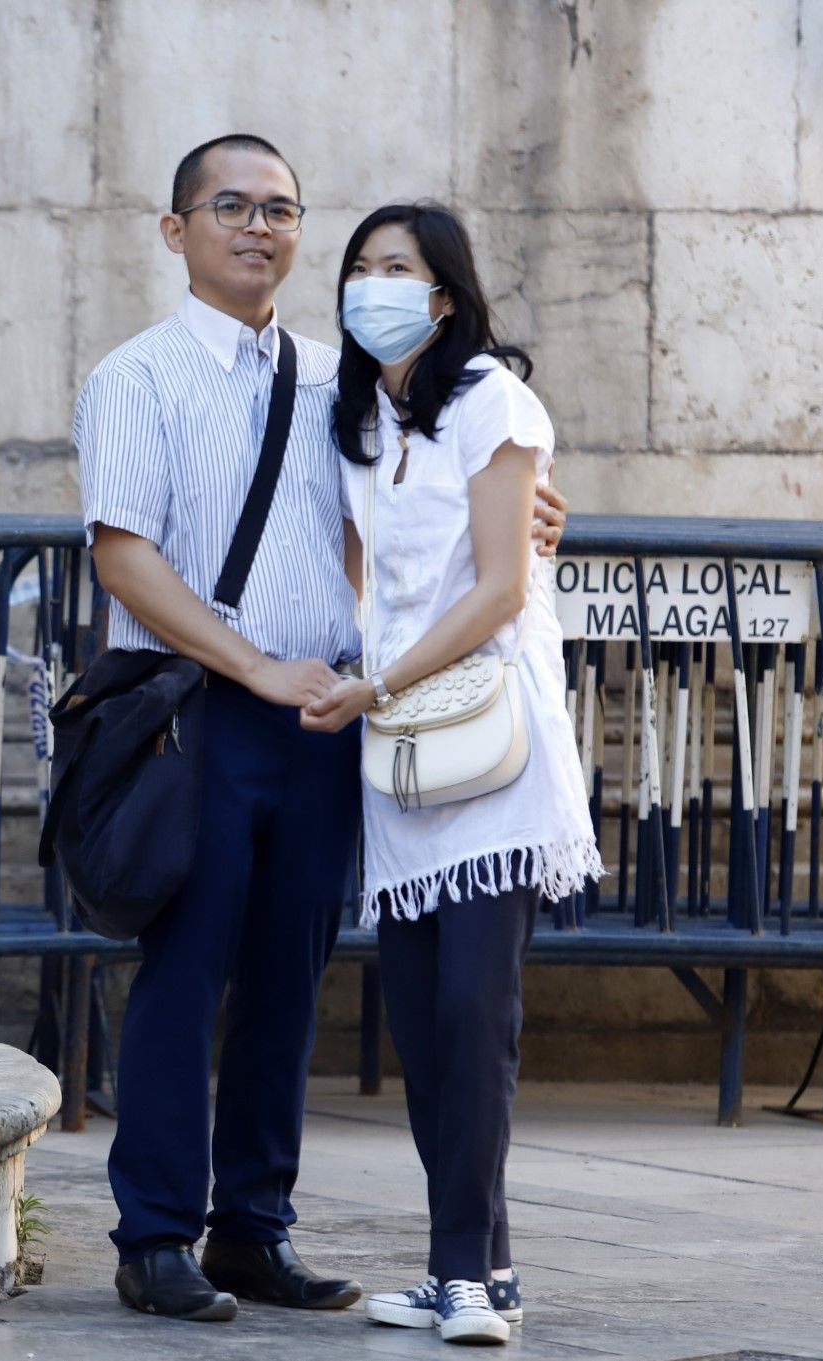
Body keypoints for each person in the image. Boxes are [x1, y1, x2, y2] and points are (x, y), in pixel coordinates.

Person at [73, 135, 569, 1325]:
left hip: (327, 715)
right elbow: (121, 553)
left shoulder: (337, 381)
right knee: (184, 972)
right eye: (230, 206)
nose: (258, 227)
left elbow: (444, 500)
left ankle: (253, 1227)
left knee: (288, 982)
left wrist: (542, 503)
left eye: (282, 209)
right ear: (175, 228)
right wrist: (248, 660)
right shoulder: (132, 379)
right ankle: (154, 1235)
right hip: (195, 712)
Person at [300, 202, 604, 1346]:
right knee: (426, 1023)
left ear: (443, 294)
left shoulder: (492, 402)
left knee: (478, 1006)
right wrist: (361, 679)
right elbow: (360, 576)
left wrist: (370, 688)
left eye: (398, 269)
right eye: (359, 267)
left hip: (489, 737)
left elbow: (496, 591)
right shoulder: (354, 421)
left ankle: (458, 1278)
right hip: (403, 757)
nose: (373, 285)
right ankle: (485, 1265)